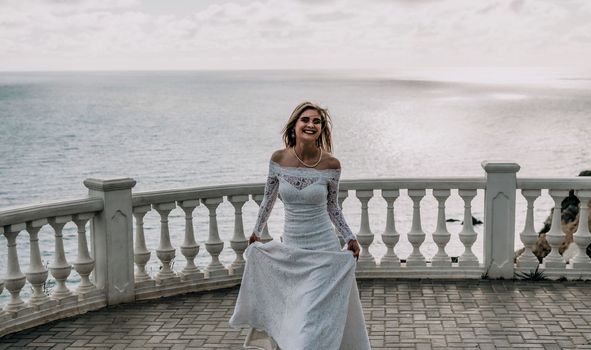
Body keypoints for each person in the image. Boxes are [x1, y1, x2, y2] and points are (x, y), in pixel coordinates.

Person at [229, 102, 371, 350]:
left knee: (312, 321)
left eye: (317, 121)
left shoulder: (331, 165)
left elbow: (332, 206)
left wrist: (350, 237)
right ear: (294, 125)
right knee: (296, 316)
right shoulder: (278, 159)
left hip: (324, 250)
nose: (311, 125)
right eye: (305, 119)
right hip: (292, 250)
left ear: (321, 129)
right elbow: (268, 200)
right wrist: (256, 232)